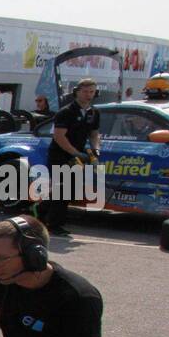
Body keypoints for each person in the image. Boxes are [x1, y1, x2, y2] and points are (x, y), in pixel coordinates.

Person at [42, 77, 101, 237]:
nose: (89, 95)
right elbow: (59, 136)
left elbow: (94, 134)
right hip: (60, 155)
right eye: (85, 91)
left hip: (77, 156)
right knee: (62, 189)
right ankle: (54, 225)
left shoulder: (94, 112)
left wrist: (95, 149)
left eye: (92, 92)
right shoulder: (66, 112)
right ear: (77, 92)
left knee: (71, 190)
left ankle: (40, 211)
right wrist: (74, 152)